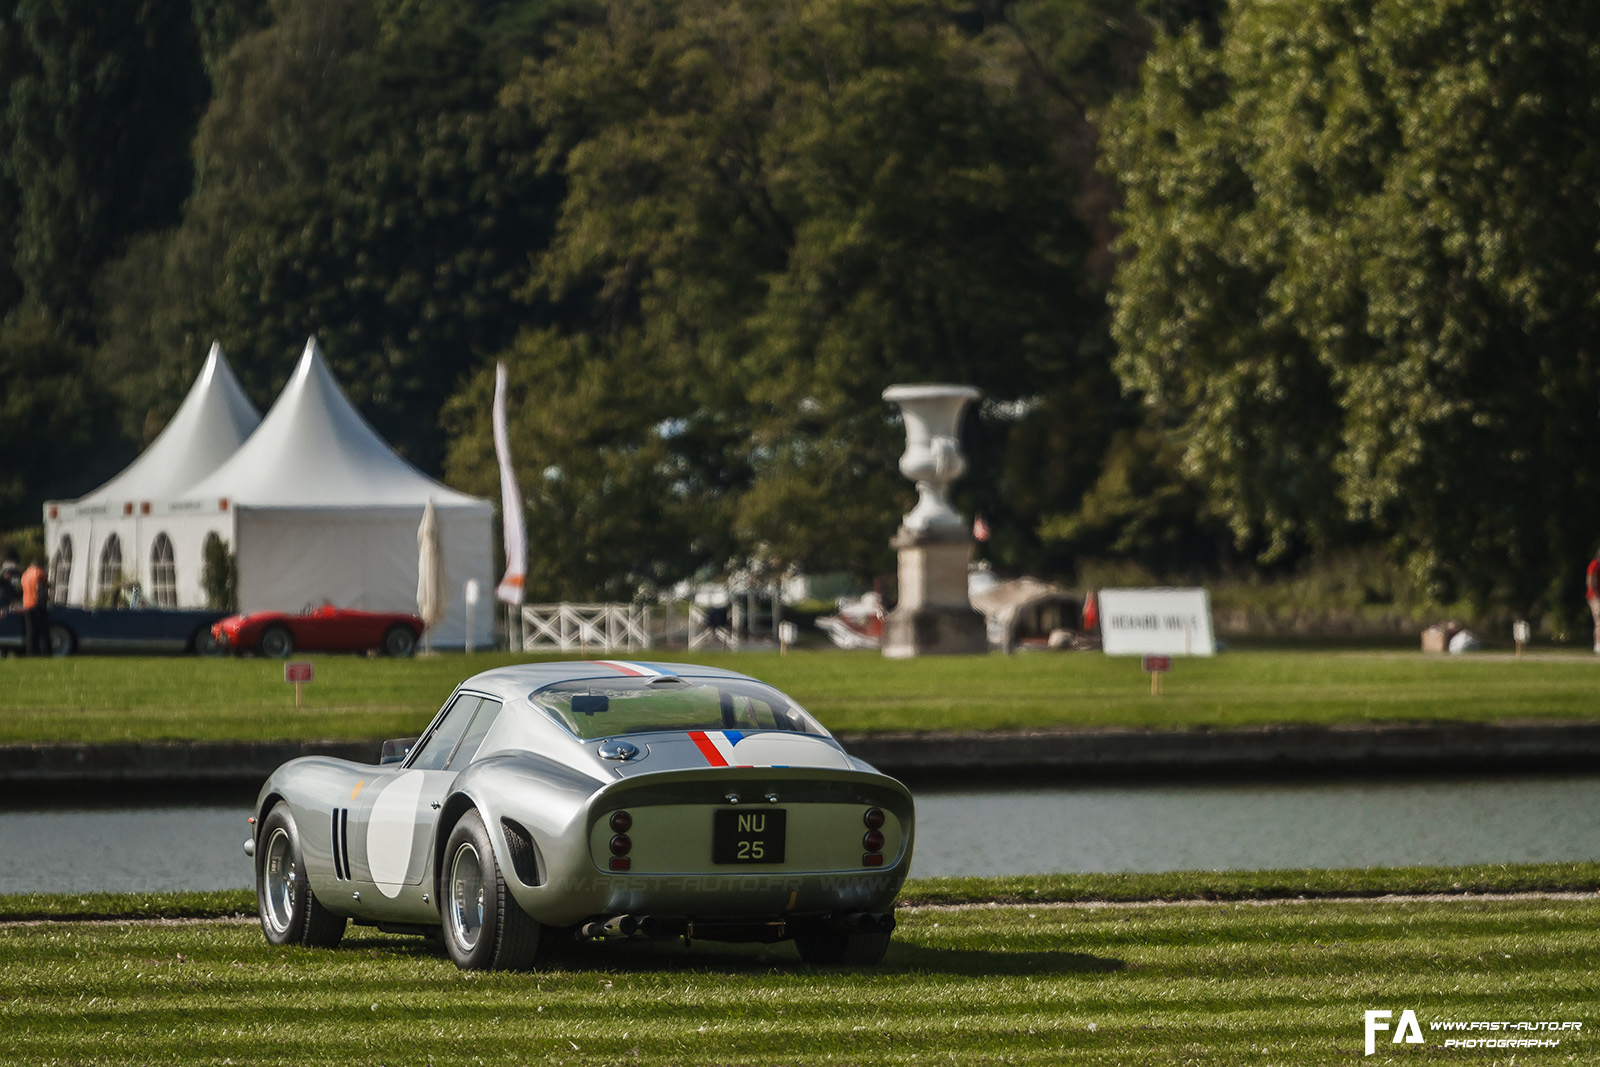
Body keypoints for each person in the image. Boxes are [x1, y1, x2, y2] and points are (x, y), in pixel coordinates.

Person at [20, 556, 50, 656]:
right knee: (44, 631)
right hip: (38, 605)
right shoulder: (39, 573)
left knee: (30, 632)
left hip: (27, 605)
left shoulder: (25, 574)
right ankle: (47, 653)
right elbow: (42, 588)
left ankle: (31, 652)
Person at [1587, 547, 1600, 653]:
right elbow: (1591, 581)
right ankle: (1598, 644)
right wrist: (1595, 597)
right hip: (1594, 596)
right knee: (1599, 620)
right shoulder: (1595, 565)